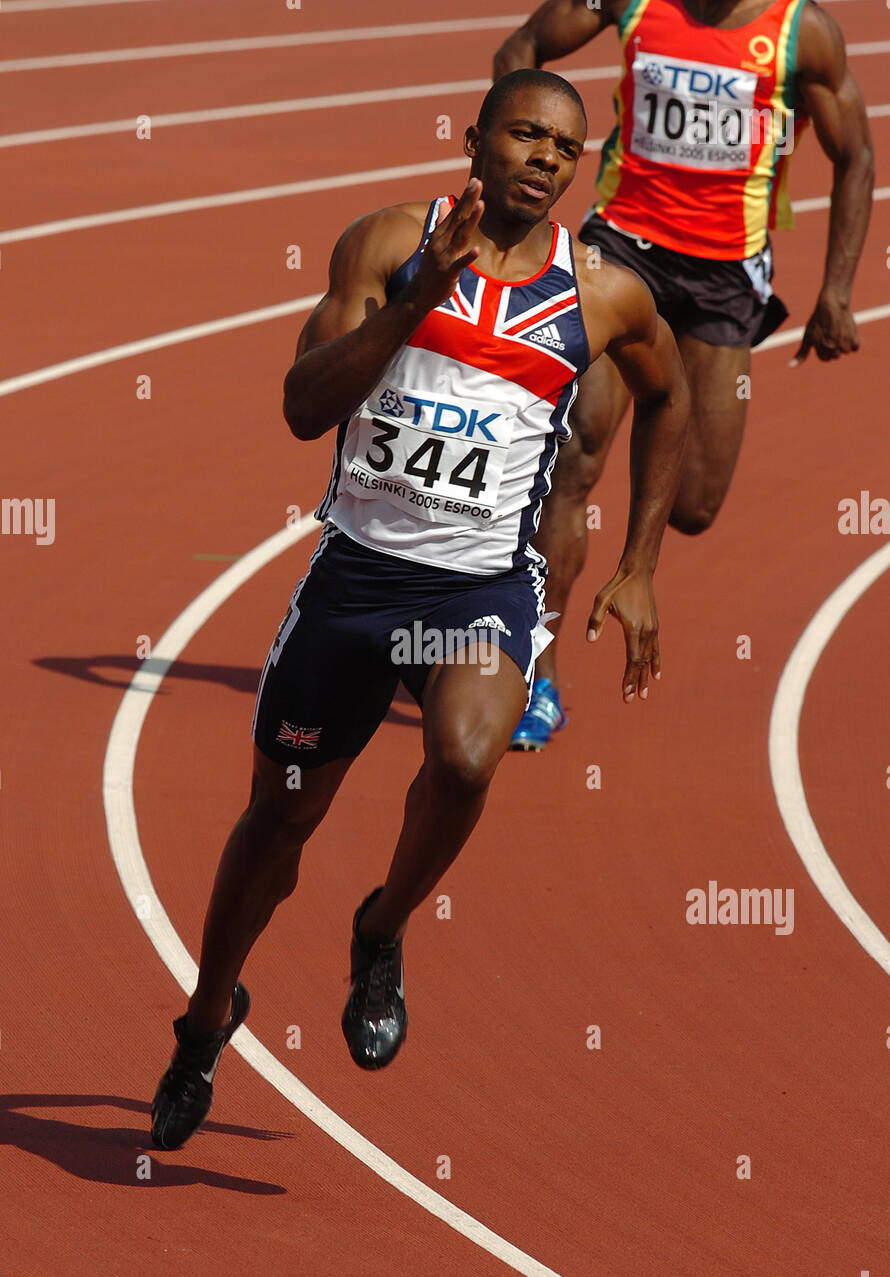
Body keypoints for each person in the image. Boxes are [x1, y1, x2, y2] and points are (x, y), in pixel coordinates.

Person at [149, 69, 690, 1151]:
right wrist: (413, 300)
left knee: (466, 756)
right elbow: (305, 406)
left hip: (476, 587)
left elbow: (669, 394)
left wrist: (636, 565)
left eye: (562, 147)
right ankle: (207, 1019)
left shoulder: (600, 296)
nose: (542, 157)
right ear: (472, 140)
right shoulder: (387, 241)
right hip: (353, 583)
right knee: (277, 826)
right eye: (523, 134)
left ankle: (382, 925)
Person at [496, 0, 874, 750]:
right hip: (619, 251)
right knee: (574, 459)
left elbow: (856, 153)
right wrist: (528, 181)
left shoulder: (804, 34)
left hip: (725, 277)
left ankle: (637, 564)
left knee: (696, 501)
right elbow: (524, 48)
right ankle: (535, 674)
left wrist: (836, 289)